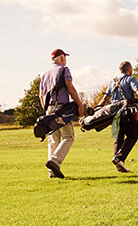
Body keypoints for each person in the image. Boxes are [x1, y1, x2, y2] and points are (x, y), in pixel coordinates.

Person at [98, 61, 138, 172]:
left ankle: (119, 165)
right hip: (127, 112)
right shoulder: (130, 79)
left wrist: (97, 109)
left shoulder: (112, 81)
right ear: (129, 69)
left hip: (114, 114)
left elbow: (105, 98)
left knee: (118, 138)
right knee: (133, 136)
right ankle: (119, 158)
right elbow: (137, 90)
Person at [39, 49, 85, 178]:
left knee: (53, 140)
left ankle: (51, 173)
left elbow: (41, 95)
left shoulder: (44, 73)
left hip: (49, 109)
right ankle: (54, 161)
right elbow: (70, 88)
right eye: (65, 57)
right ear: (62, 58)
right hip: (62, 110)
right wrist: (80, 105)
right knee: (68, 137)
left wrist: (47, 111)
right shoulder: (64, 70)